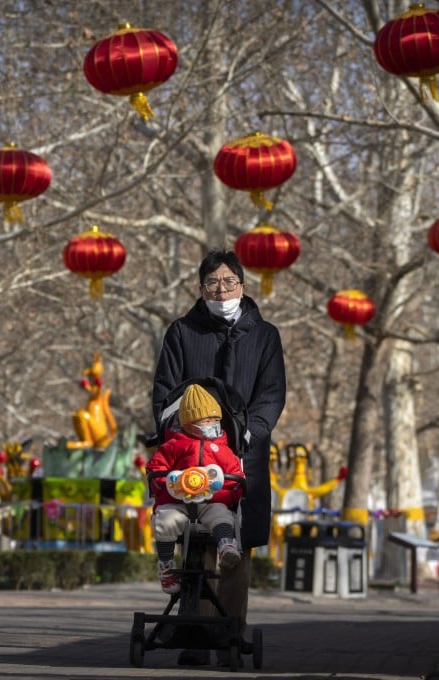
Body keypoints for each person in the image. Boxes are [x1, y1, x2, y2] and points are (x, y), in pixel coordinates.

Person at [151, 249, 286, 665]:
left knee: (234, 544)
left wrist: (249, 431)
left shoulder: (264, 336)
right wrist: (177, 432)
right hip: (188, 452)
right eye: (212, 283)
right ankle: (194, 634)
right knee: (192, 535)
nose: (221, 289)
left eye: (229, 282)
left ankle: (230, 633)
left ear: (243, 287)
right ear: (201, 288)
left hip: (242, 455)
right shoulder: (181, 332)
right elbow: (164, 390)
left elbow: (272, 394)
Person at [146, 384, 244, 593]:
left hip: (212, 500)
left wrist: (226, 492)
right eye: (207, 421)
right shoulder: (174, 446)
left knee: (221, 516)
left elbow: (236, 474)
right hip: (177, 501)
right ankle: (166, 564)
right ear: (188, 424)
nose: (213, 425)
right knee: (165, 521)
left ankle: (226, 545)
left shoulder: (222, 449)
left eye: (216, 420)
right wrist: (168, 484)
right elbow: (155, 468)